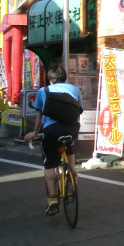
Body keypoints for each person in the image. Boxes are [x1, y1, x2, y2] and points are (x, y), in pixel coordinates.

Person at [23, 64, 82, 216]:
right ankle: (72, 175)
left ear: (50, 80)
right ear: (65, 78)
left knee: (49, 164)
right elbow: (79, 109)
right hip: (72, 129)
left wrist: (35, 132)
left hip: (52, 131)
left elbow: (39, 115)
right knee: (69, 145)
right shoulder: (74, 89)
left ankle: (53, 198)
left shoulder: (44, 91)